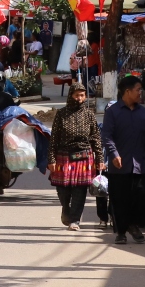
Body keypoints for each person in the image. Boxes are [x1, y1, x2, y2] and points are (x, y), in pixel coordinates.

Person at [101, 73, 145, 244]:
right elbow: (107, 136)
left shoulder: (143, 112)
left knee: (140, 197)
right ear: (127, 91)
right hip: (119, 166)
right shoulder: (113, 112)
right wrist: (114, 154)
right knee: (120, 200)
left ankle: (134, 225)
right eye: (138, 90)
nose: (141, 93)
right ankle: (121, 232)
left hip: (139, 163)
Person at [48, 82, 103, 231]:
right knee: (63, 188)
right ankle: (66, 208)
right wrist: (51, 159)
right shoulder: (61, 114)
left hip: (84, 155)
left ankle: (75, 220)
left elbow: (96, 138)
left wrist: (100, 159)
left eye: (82, 95)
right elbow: (54, 138)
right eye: (77, 95)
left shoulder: (89, 115)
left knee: (80, 189)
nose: (79, 98)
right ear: (71, 96)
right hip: (64, 154)